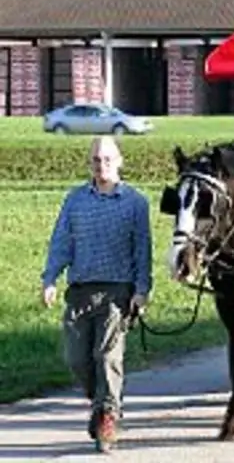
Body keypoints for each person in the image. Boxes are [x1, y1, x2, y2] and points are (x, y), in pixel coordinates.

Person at [40, 135, 152, 453]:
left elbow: (142, 250)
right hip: (79, 292)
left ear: (119, 161)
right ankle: (100, 405)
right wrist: (50, 278)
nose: (101, 165)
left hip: (117, 293)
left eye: (107, 159)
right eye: (95, 160)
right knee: (77, 359)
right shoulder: (75, 200)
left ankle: (107, 418)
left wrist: (141, 290)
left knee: (107, 358)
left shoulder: (135, 202)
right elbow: (61, 242)